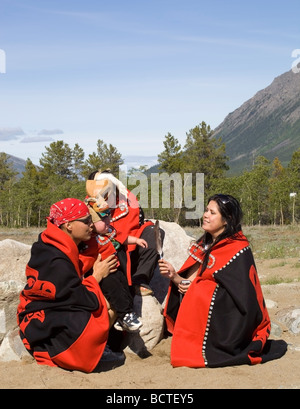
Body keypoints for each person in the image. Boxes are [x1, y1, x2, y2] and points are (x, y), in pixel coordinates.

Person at [158, 194, 287, 368]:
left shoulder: (238, 248)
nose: (205, 215)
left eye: (212, 212)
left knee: (202, 291)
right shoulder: (204, 244)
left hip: (235, 317)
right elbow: (189, 284)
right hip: (211, 307)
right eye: (206, 210)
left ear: (227, 220)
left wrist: (197, 289)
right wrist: (174, 276)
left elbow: (243, 296)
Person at [17, 198, 123, 373]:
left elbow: (66, 290)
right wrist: (96, 276)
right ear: (69, 225)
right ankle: (97, 351)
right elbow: (81, 298)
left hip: (36, 315)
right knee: (108, 305)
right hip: (48, 323)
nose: (91, 225)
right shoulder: (58, 260)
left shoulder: (47, 243)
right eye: (86, 221)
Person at [85, 169, 163, 296]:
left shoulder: (127, 198)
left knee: (153, 232)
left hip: (127, 238)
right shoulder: (90, 203)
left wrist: (135, 239)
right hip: (104, 246)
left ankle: (140, 279)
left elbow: (137, 222)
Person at [86, 206, 143, 332]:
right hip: (103, 274)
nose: (108, 222)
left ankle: (123, 317)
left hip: (115, 268)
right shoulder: (88, 239)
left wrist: (136, 240)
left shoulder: (109, 231)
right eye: (103, 220)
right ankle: (125, 314)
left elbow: (122, 238)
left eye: (108, 218)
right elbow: (84, 259)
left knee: (125, 288)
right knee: (115, 291)